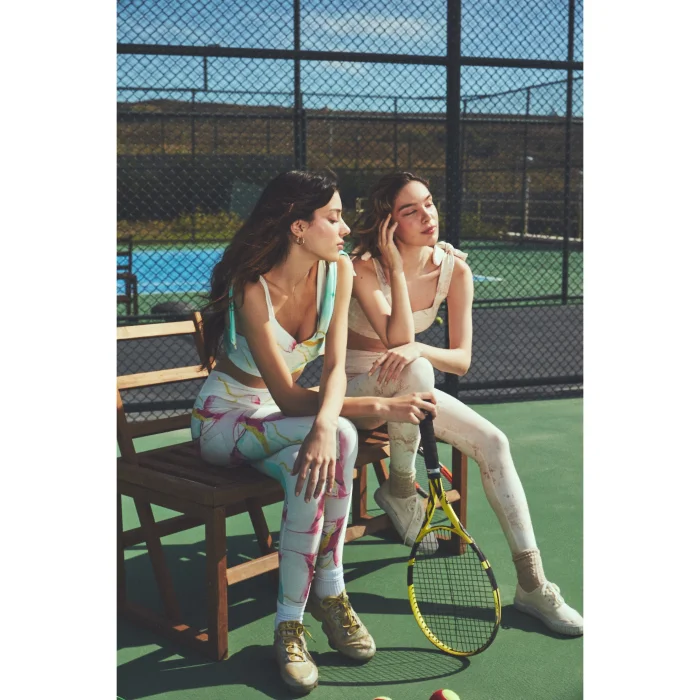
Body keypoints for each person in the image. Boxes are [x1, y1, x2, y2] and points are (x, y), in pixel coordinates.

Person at [191, 171, 437, 693]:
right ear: (298, 227)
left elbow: (333, 369)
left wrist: (325, 421)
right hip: (225, 422)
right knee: (341, 436)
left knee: (321, 458)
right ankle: (329, 590)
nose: (346, 229)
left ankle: (292, 623)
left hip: (283, 426)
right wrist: (377, 406)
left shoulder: (338, 271)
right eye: (333, 217)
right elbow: (286, 396)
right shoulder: (251, 288)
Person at [344, 171, 583, 636]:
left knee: (494, 441)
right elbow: (396, 339)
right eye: (410, 211)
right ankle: (401, 487)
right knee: (417, 369)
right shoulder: (364, 267)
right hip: (359, 389)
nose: (427, 216)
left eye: (428, 203)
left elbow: (461, 359)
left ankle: (533, 583)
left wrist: (420, 349)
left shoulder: (455, 270)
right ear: (388, 222)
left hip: (415, 384)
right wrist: (395, 268)